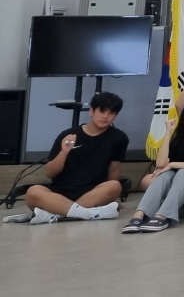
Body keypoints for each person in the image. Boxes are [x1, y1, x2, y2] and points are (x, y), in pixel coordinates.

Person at [22, 91, 127, 224]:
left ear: (116, 115)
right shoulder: (68, 135)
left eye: (111, 113)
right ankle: (86, 213)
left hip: (92, 193)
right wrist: (64, 152)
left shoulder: (119, 138)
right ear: (91, 111)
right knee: (33, 192)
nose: (105, 116)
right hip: (60, 193)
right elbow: (50, 173)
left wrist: (113, 198)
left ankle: (58, 214)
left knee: (115, 186)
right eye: (101, 111)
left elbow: (114, 170)